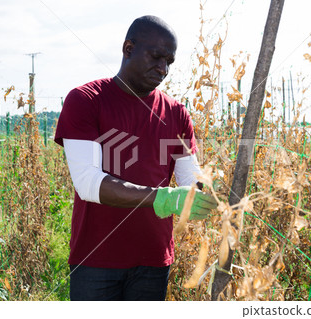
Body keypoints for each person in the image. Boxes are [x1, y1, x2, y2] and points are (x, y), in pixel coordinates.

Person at [54, 15, 217, 301]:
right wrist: (161, 198)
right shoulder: (86, 100)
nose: (163, 68)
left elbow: (190, 179)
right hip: (96, 258)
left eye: (169, 61)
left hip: (154, 259)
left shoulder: (177, 114)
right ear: (128, 49)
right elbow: (88, 183)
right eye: (156, 57)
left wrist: (203, 194)